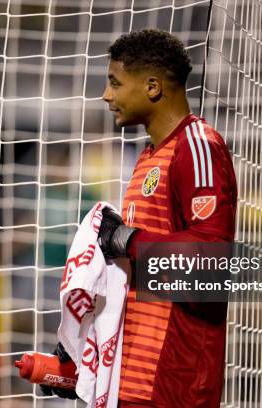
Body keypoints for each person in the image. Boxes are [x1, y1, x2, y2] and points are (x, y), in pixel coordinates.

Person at [42, 29, 237, 407]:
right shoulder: (150, 156)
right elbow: (131, 277)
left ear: (151, 87)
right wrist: (80, 346)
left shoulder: (197, 147)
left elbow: (214, 257)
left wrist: (129, 240)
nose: (106, 95)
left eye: (115, 82)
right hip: (131, 382)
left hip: (173, 386)